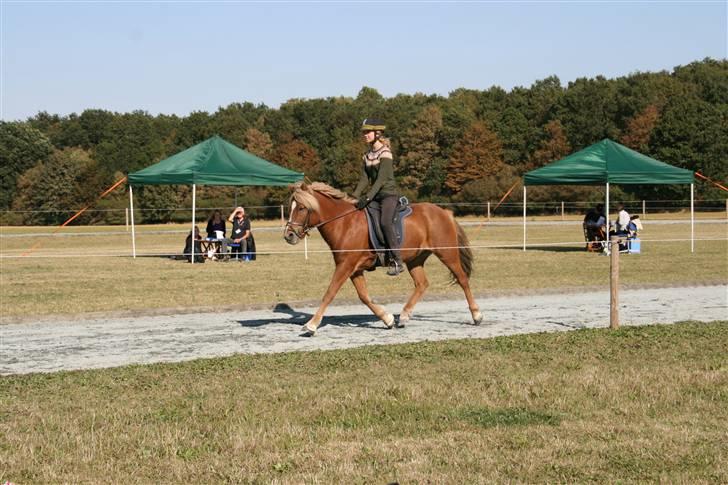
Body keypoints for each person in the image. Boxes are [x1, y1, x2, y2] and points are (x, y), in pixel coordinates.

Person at [352, 118, 404, 276]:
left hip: (388, 195)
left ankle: (396, 260)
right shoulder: (367, 155)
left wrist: (367, 198)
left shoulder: (385, 153)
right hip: (375, 196)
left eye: (367, 132)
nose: (365, 135)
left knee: (385, 222)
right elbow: (364, 179)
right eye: (364, 132)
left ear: (377, 133)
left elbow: (381, 180)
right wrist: (353, 196)